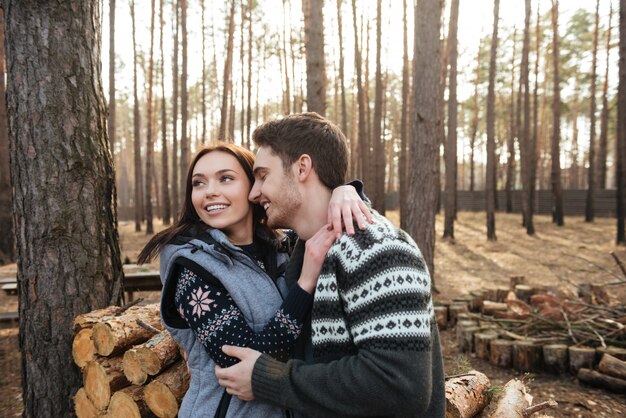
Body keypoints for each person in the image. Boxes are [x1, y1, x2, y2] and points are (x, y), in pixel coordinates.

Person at [214, 113, 445, 417]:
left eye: (263, 176)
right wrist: (346, 188)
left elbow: (400, 386)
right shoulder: (301, 247)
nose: (254, 193)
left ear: (302, 167)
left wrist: (270, 380)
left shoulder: (378, 249)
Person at [137, 143, 371, 417]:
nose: (210, 191)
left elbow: (328, 214)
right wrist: (305, 283)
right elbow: (243, 363)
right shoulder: (190, 268)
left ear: (255, 188)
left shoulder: (283, 246)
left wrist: (346, 191)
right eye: (198, 183)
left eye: (225, 178)